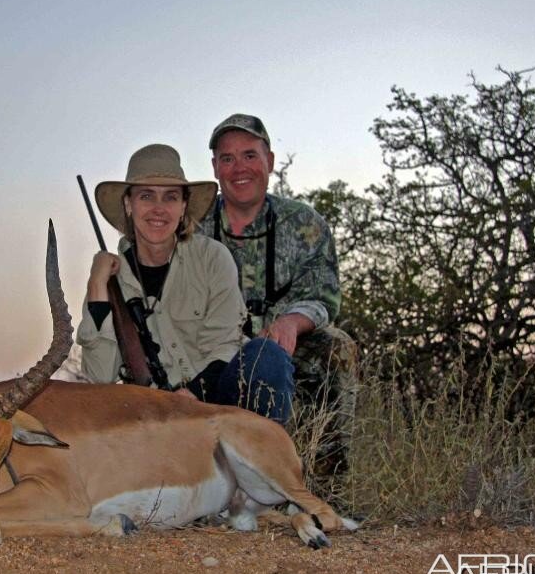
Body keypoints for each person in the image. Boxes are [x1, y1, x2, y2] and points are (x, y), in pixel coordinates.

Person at [77, 144, 294, 423]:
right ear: (129, 205)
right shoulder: (109, 281)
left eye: (170, 197)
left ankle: (266, 460)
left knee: (267, 355)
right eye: (146, 196)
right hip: (154, 418)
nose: (158, 209)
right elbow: (99, 378)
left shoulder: (212, 257)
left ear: (183, 207)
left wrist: (191, 396)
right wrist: (97, 287)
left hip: (217, 402)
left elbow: (226, 345)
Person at [198, 114, 360, 473]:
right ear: (215, 168)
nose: (240, 168)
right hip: (207, 353)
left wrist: (291, 323)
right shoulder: (191, 223)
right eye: (228, 158)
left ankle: (324, 485)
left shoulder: (304, 223)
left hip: (281, 350)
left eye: (250, 155)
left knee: (336, 348)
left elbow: (324, 296)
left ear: (269, 160)